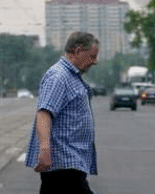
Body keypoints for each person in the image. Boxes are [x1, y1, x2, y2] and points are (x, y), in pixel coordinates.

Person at [25, 32, 100, 194]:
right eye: (92, 56)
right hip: (63, 163)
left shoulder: (70, 76)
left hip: (68, 163)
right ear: (78, 51)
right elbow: (44, 113)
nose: (95, 61)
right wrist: (45, 149)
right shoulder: (59, 76)